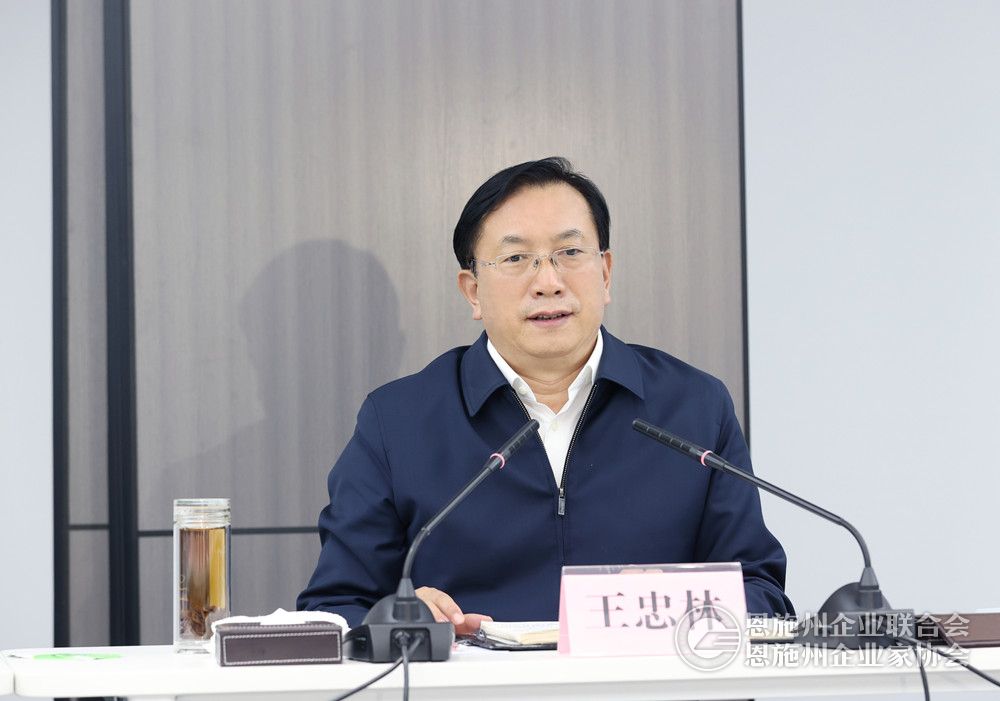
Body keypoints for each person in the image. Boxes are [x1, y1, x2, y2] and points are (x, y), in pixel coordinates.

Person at [298, 157, 793, 634]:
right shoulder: (397, 422)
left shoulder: (694, 406)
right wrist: (399, 618)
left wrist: (675, 602)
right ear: (472, 291)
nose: (549, 282)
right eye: (516, 258)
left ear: (605, 273)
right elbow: (335, 608)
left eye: (570, 253)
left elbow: (764, 595)